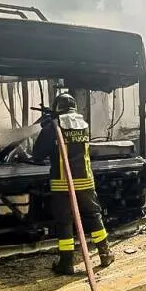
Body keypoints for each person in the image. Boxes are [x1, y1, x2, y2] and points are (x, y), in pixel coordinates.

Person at [32, 93, 115, 275]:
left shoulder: (53, 126)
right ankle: (105, 253)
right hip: (85, 180)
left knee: (64, 222)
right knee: (94, 216)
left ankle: (66, 263)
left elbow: (37, 154)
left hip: (63, 184)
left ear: (57, 109)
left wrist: (47, 125)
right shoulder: (83, 125)